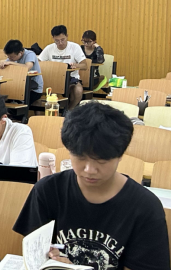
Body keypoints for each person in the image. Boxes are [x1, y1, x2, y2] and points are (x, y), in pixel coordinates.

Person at [14, 102, 170, 270]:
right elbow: (33, 256)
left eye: (101, 160)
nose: (89, 170)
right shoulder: (47, 191)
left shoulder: (145, 207)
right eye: (80, 157)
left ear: (120, 155)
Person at [39, 25, 87, 109]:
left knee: (78, 91)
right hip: (53, 78)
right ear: (53, 38)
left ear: (67, 36)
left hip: (71, 78)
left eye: (62, 40)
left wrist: (76, 65)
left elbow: (85, 65)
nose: (60, 43)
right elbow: (39, 62)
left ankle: (69, 110)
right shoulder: (49, 48)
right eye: (57, 41)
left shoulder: (75, 47)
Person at [0, 39, 44, 104]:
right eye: (8, 57)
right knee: (3, 99)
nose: (10, 59)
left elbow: (27, 67)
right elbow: (7, 63)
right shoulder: (12, 57)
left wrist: (11, 63)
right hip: (19, 87)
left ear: (20, 53)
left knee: (16, 103)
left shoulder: (30, 54)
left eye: (11, 57)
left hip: (34, 89)